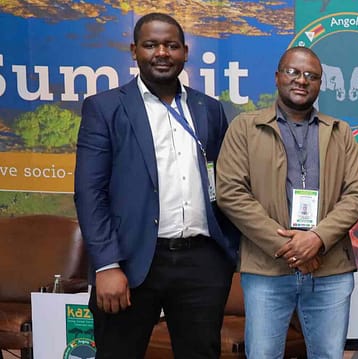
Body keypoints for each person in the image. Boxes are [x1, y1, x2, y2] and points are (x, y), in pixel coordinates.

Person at [74, 12, 239, 357]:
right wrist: (106, 265)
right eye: (151, 45)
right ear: (134, 51)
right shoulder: (105, 108)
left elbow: (225, 181)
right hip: (130, 263)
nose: (161, 52)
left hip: (202, 264)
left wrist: (228, 252)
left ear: (185, 51)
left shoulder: (208, 109)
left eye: (171, 45)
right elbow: (90, 194)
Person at [216, 46, 358, 358]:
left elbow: (357, 194)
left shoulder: (340, 133)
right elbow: (231, 193)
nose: (302, 80)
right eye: (294, 72)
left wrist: (316, 239)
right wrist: (290, 247)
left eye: (311, 76)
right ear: (277, 77)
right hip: (266, 270)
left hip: (329, 271)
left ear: (320, 84)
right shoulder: (244, 128)